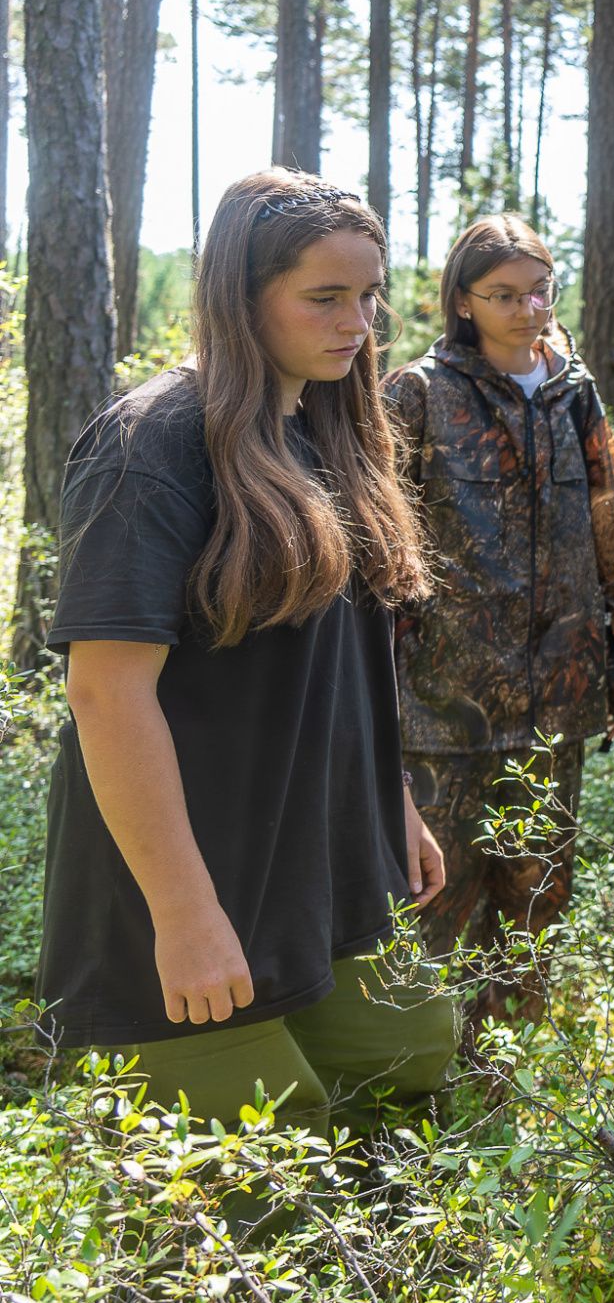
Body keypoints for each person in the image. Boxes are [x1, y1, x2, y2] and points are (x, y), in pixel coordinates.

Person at [38, 169, 456, 1139]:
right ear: (241, 293)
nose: (357, 322)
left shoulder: (326, 429)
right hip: (186, 887)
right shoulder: (155, 445)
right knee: (246, 1162)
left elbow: (338, 665)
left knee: (413, 1057)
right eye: (324, 296)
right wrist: (183, 916)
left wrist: (389, 800)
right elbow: (106, 693)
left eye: (368, 294)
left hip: (319, 870)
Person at [384, 215, 614, 1032]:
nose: (527, 309)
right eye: (503, 294)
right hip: (440, 712)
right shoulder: (418, 393)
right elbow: (377, 550)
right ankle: (422, 1098)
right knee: (433, 911)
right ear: (463, 300)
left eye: (539, 290)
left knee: (535, 909)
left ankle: (507, 1090)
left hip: (555, 706)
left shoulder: (574, 391)